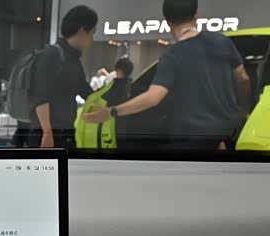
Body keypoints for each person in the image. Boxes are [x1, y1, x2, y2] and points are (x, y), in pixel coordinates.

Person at [83, 0, 251, 150]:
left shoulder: (173, 56)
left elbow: (153, 98)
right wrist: (244, 110)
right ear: (196, 16)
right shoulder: (222, 41)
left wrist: (112, 111)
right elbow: (243, 78)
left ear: (168, 23)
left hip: (191, 141)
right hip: (226, 133)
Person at [30, 5, 98, 149]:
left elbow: (85, 91)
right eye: (92, 33)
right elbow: (41, 97)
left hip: (66, 132)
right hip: (47, 134)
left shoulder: (73, 59)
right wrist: (47, 132)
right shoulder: (52, 55)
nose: (92, 38)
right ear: (82, 31)